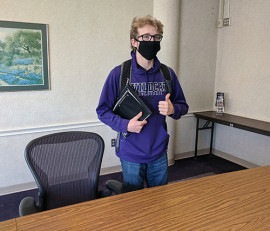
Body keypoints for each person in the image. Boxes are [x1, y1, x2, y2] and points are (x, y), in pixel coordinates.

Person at [96, 15, 189, 191]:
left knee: (160, 201)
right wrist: (125, 125)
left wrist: (173, 109)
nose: (151, 41)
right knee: (133, 204)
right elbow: (103, 111)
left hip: (159, 152)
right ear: (134, 42)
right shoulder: (119, 74)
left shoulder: (167, 74)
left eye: (156, 37)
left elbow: (183, 106)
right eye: (146, 37)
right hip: (131, 152)